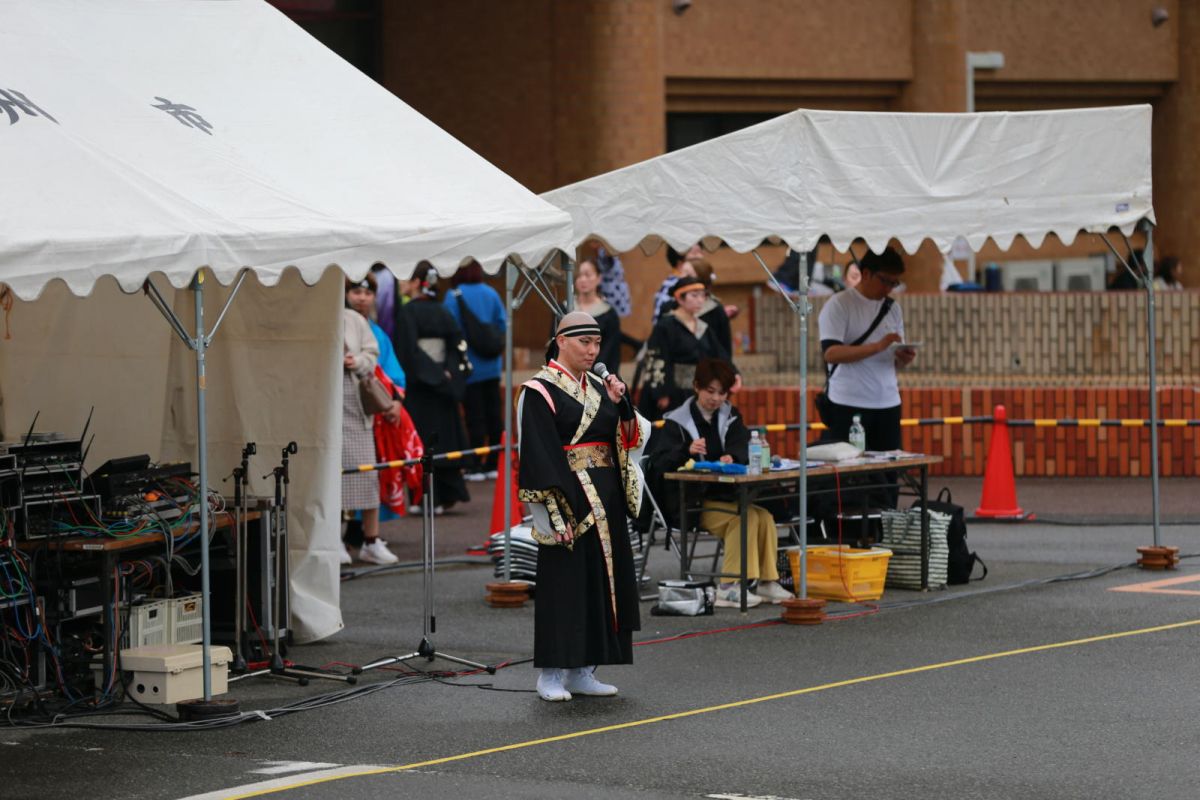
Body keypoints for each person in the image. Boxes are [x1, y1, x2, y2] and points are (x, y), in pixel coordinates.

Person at [516, 311, 650, 702]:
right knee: (566, 585)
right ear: (561, 341)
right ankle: (551, 673)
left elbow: (629, 437)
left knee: (599, 584)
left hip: (606, 494)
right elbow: (540, 454)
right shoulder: (538, 390)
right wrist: (558, 512)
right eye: (584, 342)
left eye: (596, 343)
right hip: (570, 497)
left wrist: (621, 405)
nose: (592, 351)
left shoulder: (600, 385)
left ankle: (583, 669)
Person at [646, 359, 792, 608]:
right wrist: (686, 450)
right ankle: (727, 587)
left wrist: (733, 456)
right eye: (709, 391)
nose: (715, 398)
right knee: (742, 519)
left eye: (721, 393)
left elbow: (742, 443)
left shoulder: (731, 416)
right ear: (696, 387)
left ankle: (767, 581)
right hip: (690, 503)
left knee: (764, 516)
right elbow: (659, 465)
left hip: (726, 496)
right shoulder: (676, 423)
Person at [817, 246, 916, 450]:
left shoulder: (893, 308)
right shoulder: (839, 305)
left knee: (888, 473)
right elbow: (831, 353)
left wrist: (904, 358)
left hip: (888, 401)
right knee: (850, 474)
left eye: (894, 282)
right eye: (885, 280)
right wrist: (877, 347)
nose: (889, 288)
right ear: (866, 274)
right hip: (847, 403)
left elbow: (893, 361)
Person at [394, 262, 471, 512]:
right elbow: (456, 345)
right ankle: (447, 494)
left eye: (404, 278)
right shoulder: (443, 311)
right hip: (444, 385)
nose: (400, 283)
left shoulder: (408, 312)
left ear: (417, 282)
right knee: (444, 440)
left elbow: (408, 351)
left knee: (423, 441)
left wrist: (433, 375)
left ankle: (427, 498)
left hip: (421, 387)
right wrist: (446, 375)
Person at [341, 299, 399, 565]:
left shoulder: (354, 319)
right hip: (320, 402)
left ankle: (372, 540)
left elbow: (372, 353)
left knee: (366, 471)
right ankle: (333, 540)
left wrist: (358, 361)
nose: (361, 296)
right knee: (327, 478)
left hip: (353, 399)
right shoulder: (310, 316)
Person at [639, 273, 739, 420]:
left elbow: (719, 354)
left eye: (703, 296)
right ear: (680, 298)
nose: (700, 300)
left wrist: (734, 373)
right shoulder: (665, 326)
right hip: (674, 392)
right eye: (694, 296)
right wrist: (661, 393)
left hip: (699, 391)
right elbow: (656, 358)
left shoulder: (703, 328)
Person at [444, 260, 507, 482]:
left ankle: (474, 465)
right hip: (492, 365)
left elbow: (449, 328)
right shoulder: (491, 293)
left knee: (474, 416)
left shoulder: (454, 295)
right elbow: (502, 324)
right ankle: (494, 463)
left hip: (468, 366)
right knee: (494, 415)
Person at [572, 257, 622, 373]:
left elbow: (611, 352)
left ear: (599, 278)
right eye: (579, 276)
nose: (583, 280)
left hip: (597, 377)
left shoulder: (609, 313)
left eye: (588, 275)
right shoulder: (564, 309)